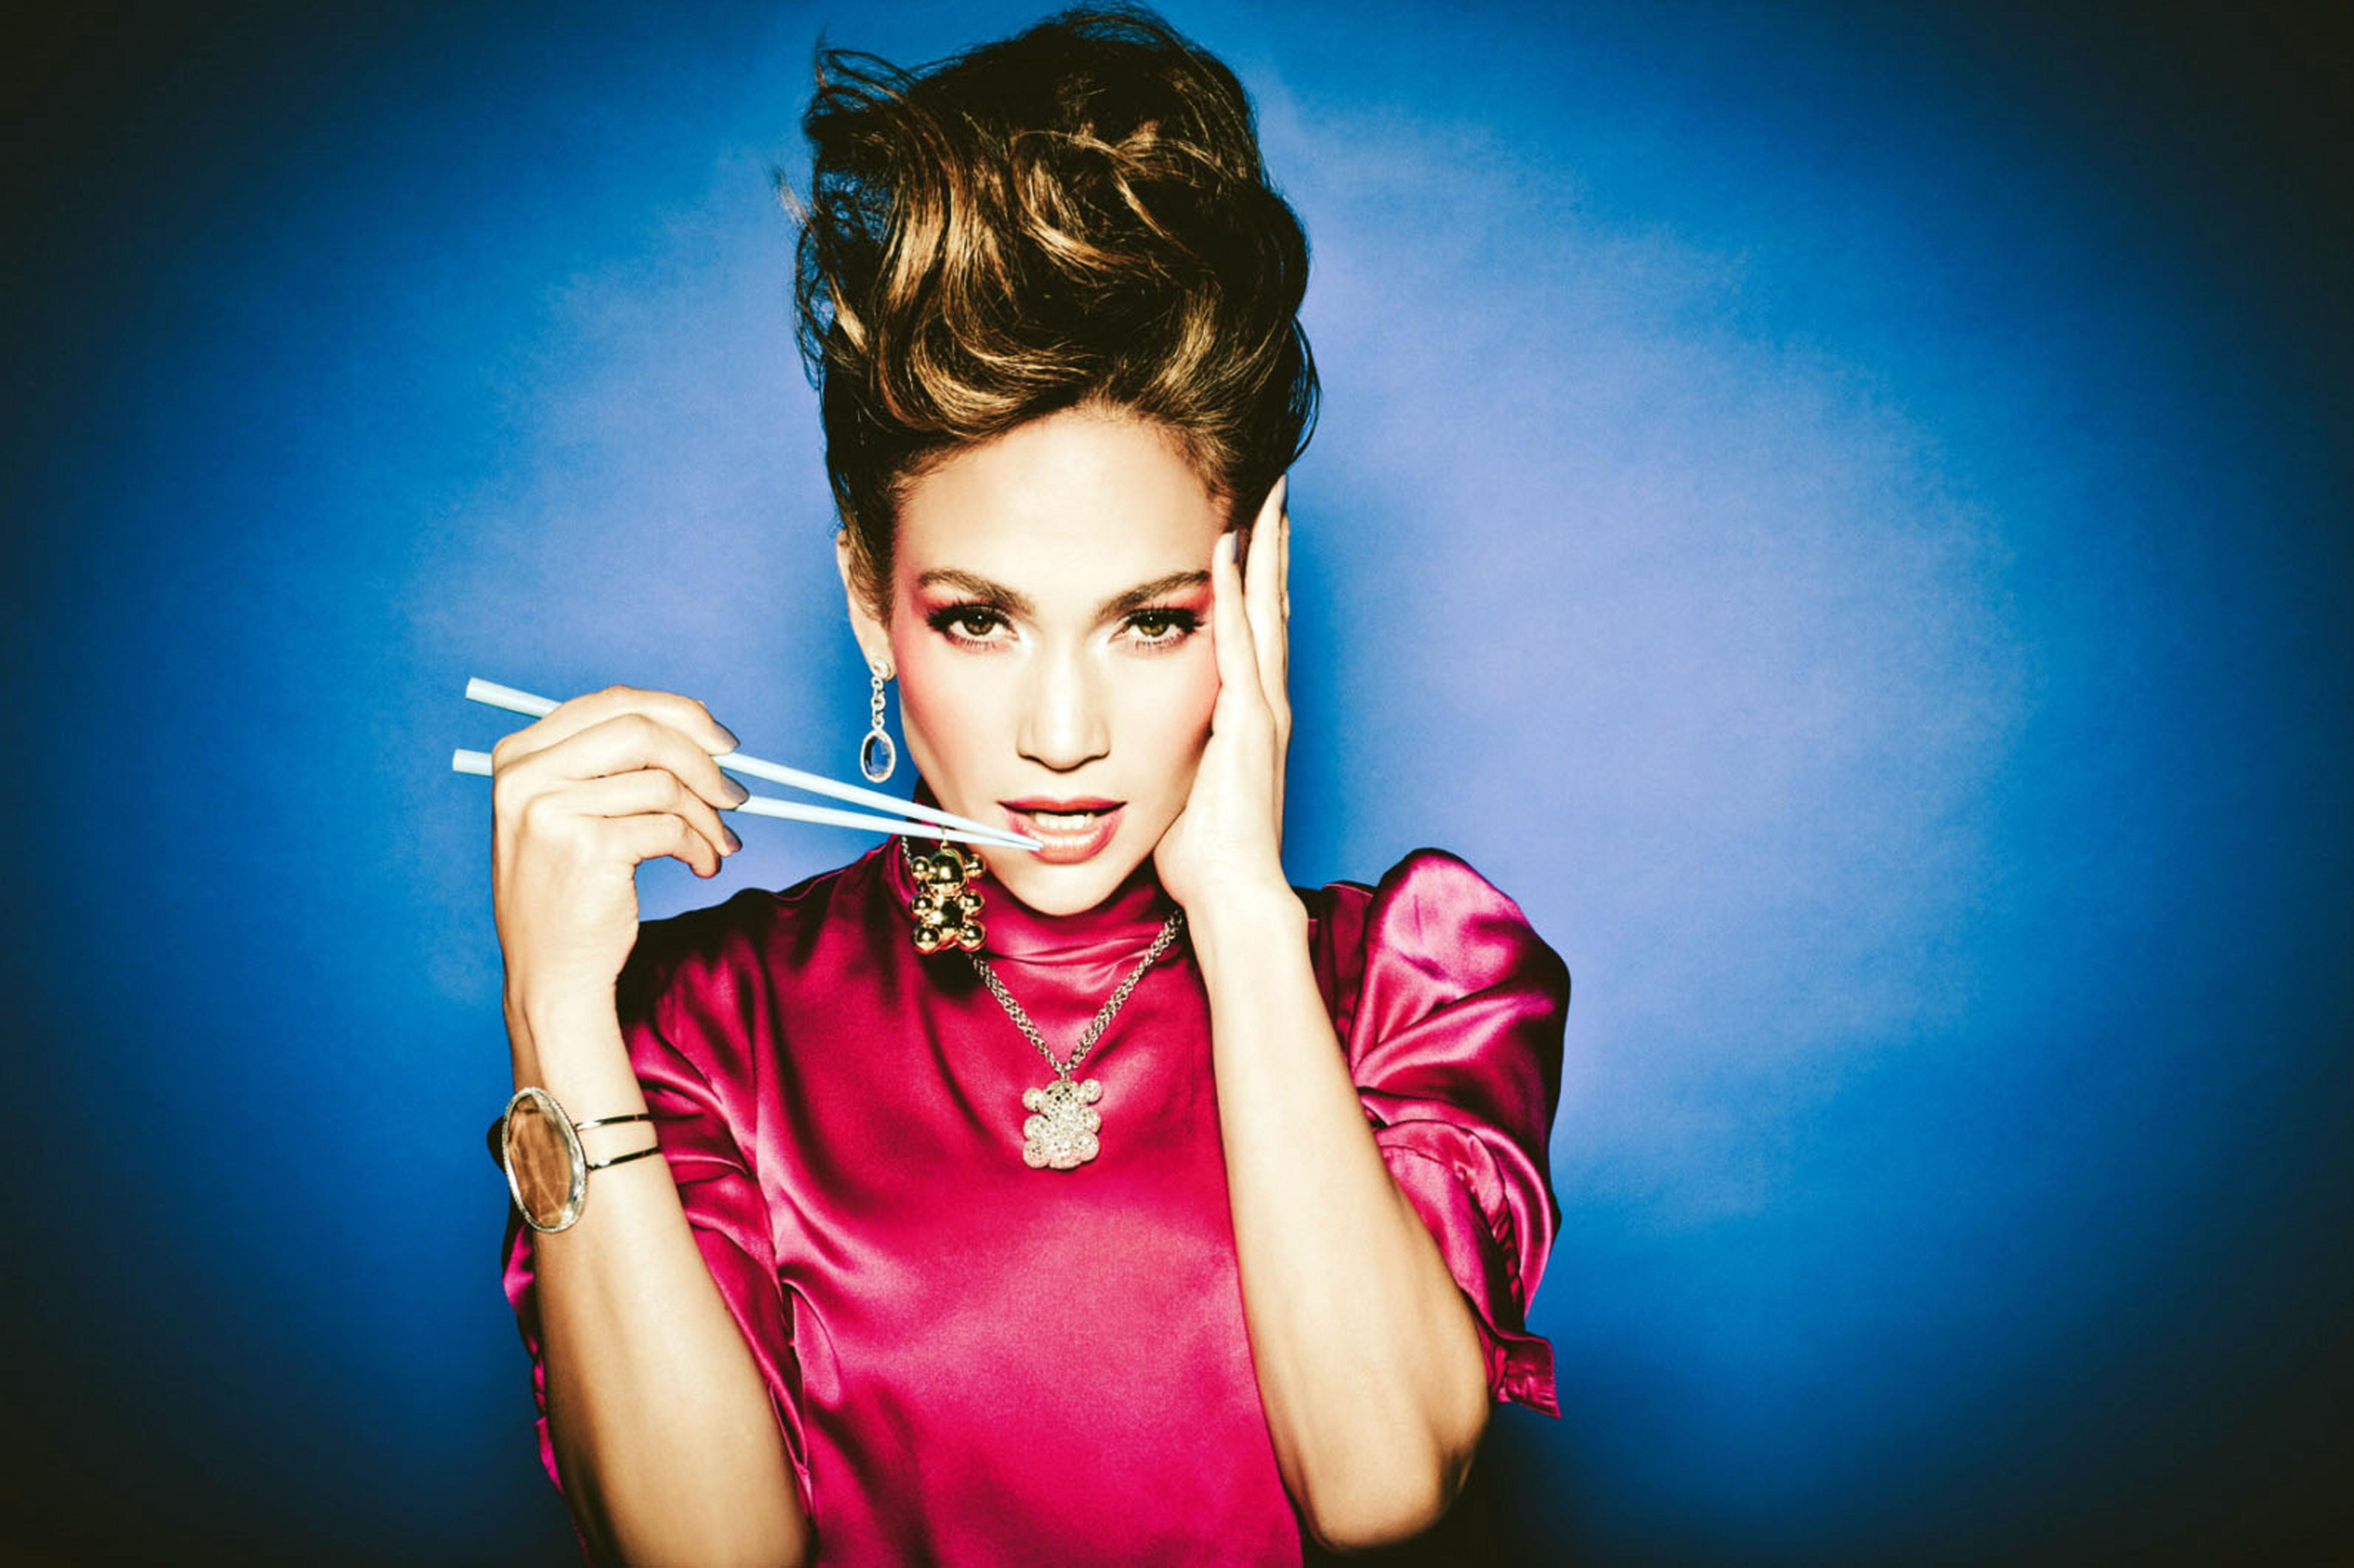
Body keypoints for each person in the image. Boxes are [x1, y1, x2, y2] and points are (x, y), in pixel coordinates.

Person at [490, 7, 1568, 1563]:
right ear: (872, 604)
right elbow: (705, 1552)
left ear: (1251, 607)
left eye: (1152, 622)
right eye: (980, 620)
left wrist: (1240, 912)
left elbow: (1380, 1482)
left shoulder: (1412, 980)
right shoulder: (708, 1021)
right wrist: (555, 1018)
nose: (1063, 733)